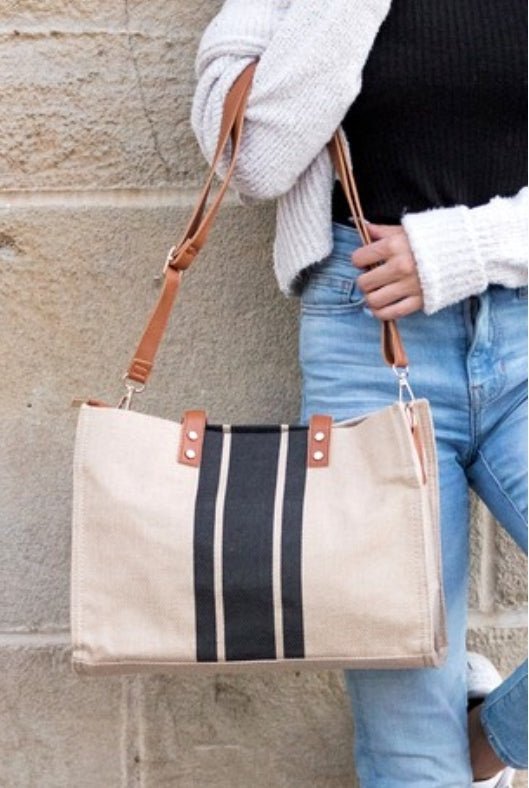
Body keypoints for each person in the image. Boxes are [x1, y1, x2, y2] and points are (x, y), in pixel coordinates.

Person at [189, 1, 528, 785]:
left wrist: (463, 248)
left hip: (518, 314)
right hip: (363, 347)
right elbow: (249, 161)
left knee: (438, 747)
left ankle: (485, 742)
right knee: (410, 746)